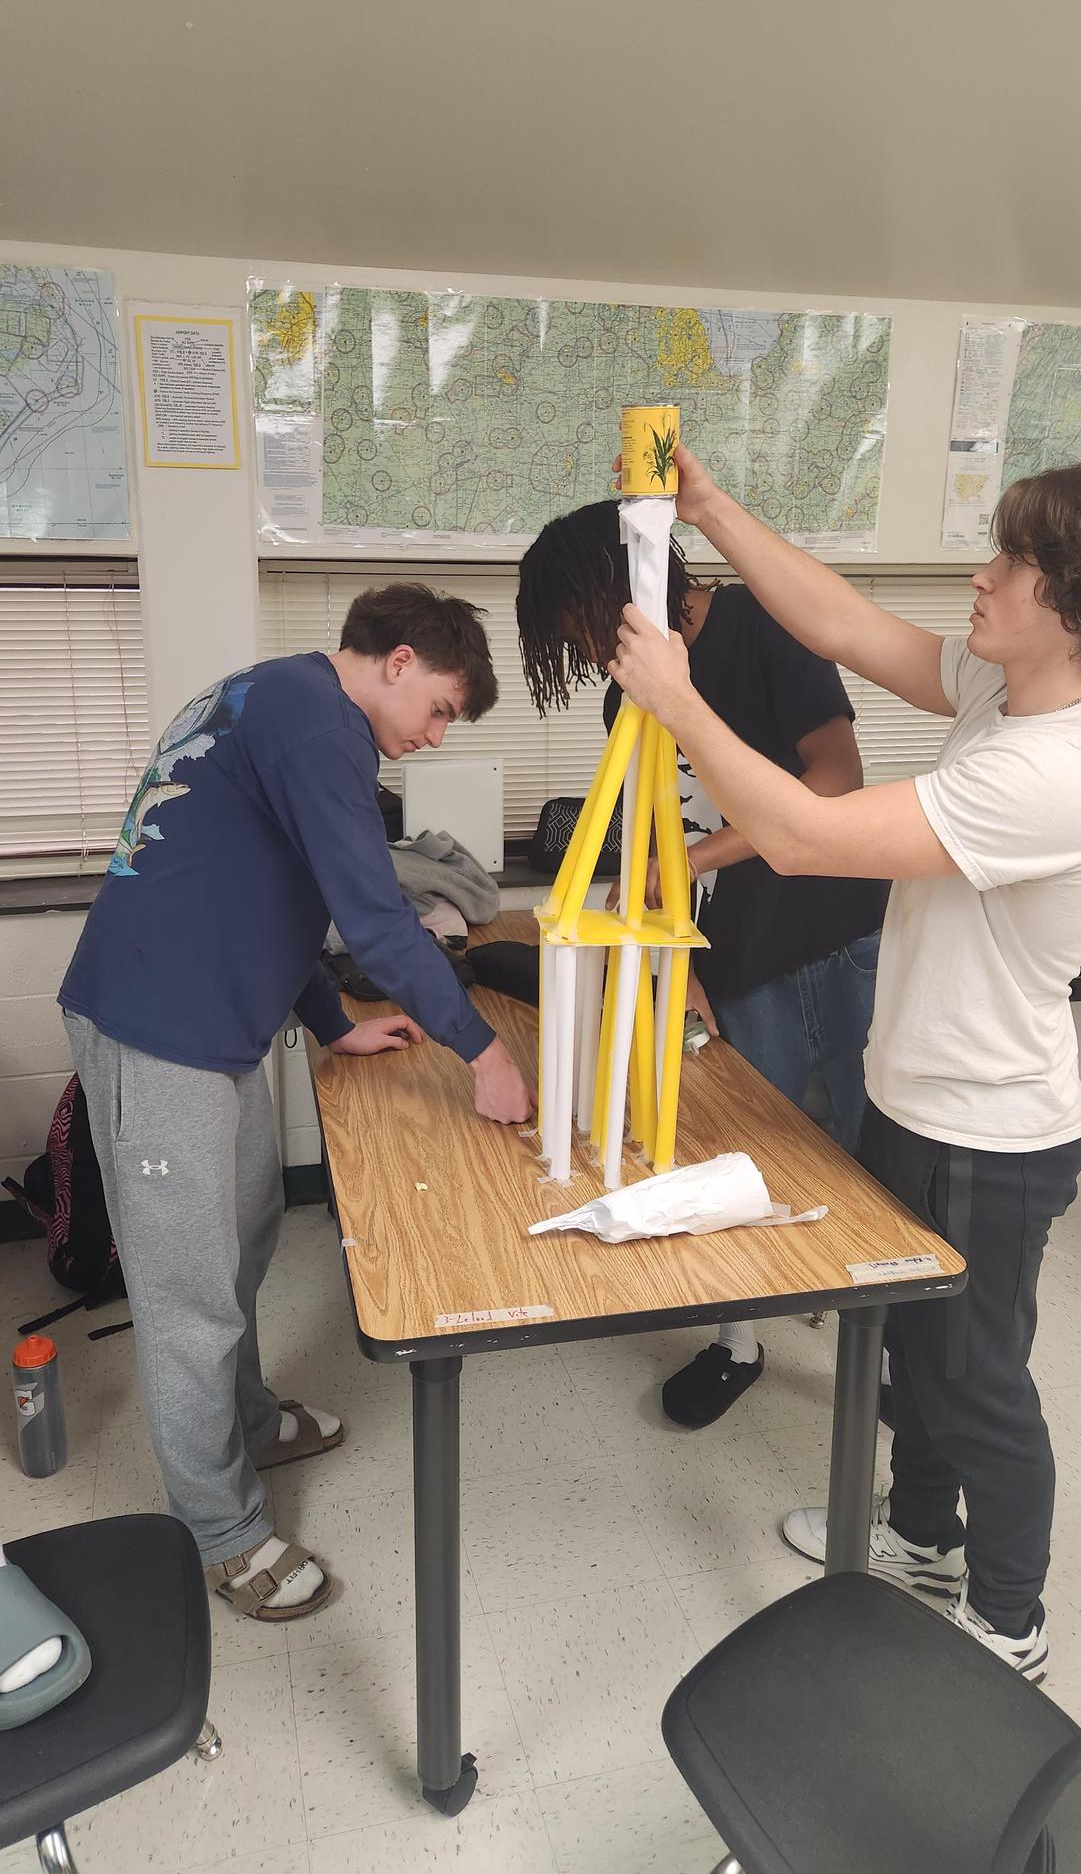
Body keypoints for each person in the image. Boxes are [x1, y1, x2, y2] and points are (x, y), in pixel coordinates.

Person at [608, 445, 1081, 1679]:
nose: (981, 577)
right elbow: (847, 622)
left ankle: (1010, 1624)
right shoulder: (1002, 689)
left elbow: (806, 837)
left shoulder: (1054, 770)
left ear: (1072, 605)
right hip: (913, 1091)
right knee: (910, 1352)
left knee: (975, 1378)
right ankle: (922, 1540)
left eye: (1013, 561)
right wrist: (709, 507)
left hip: (996, 1125)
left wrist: (679, 701)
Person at [59, 584, 532, 1621]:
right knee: (189, 1291)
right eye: (443, 708)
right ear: (399, 662)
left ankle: (249, 1422)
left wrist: (328, 1022)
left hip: (214, 1022)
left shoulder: (281, 701)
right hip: (154, 1031)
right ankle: (222, 1533)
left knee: (243, 1233)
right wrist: (483, 1052)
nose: (436, 735)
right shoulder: (320, 720)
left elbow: (282, 885)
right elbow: (371, 916)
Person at [517, 501, 887, 1426]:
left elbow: (835, 781)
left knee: (866, 1156)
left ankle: (890, 1350)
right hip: (736, 956)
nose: (594, 656)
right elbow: (650, 837)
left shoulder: (765, 626)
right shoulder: (626, 695)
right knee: (740, 1154)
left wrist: (686, 862)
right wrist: (679, 971)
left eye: (586, 631)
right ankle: (740, 1338)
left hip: (833, 934)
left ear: (622, 588)